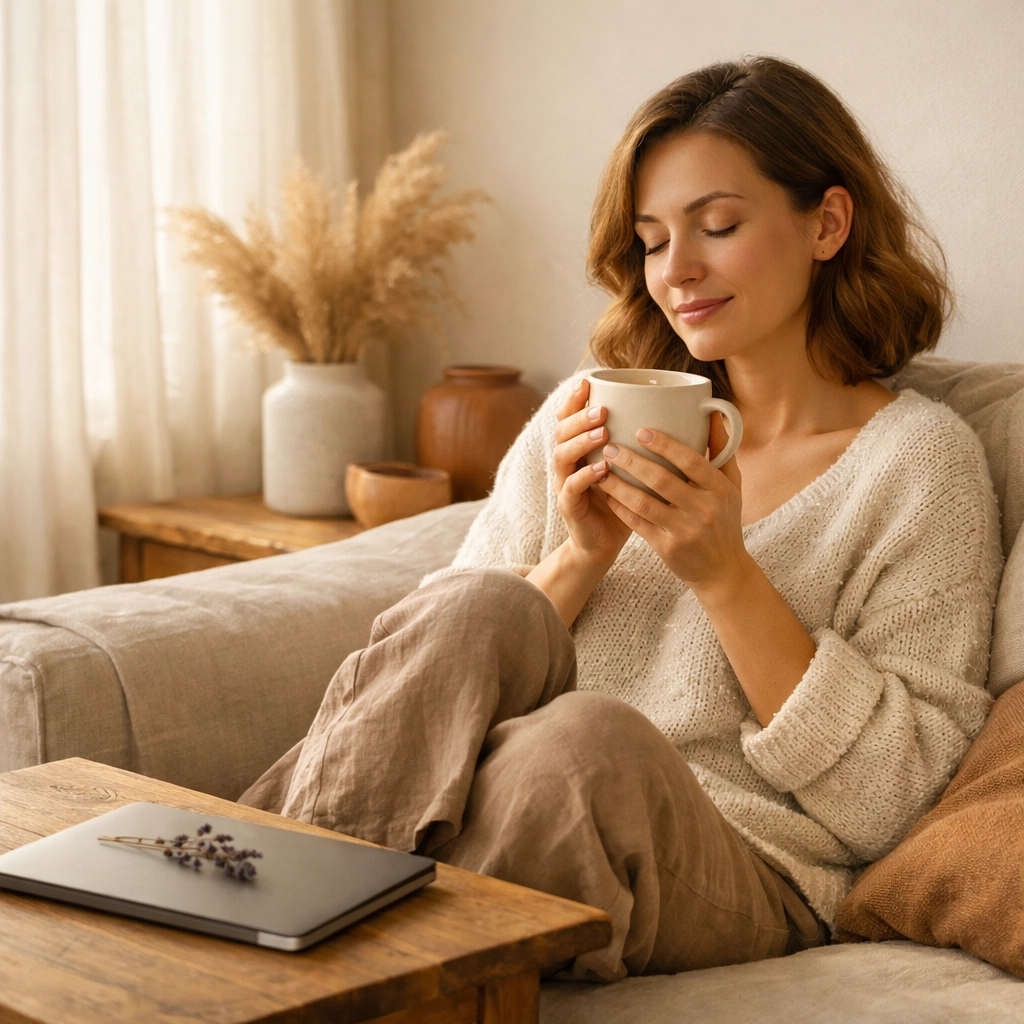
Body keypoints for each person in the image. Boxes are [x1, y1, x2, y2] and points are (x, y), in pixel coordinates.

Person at [241, 56, 1002, 981]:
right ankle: (261, 907)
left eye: (717, 226)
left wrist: (726, 576)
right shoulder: (587, 411)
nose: (676, 272)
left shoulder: (920, 464)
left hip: (746, 864)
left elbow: (895, 797)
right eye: (651, 240)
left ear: (827, 223)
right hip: (502, 803)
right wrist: (581, 552)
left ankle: (284, 931)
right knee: (483, 609)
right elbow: (428, 680)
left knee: (580, 739)